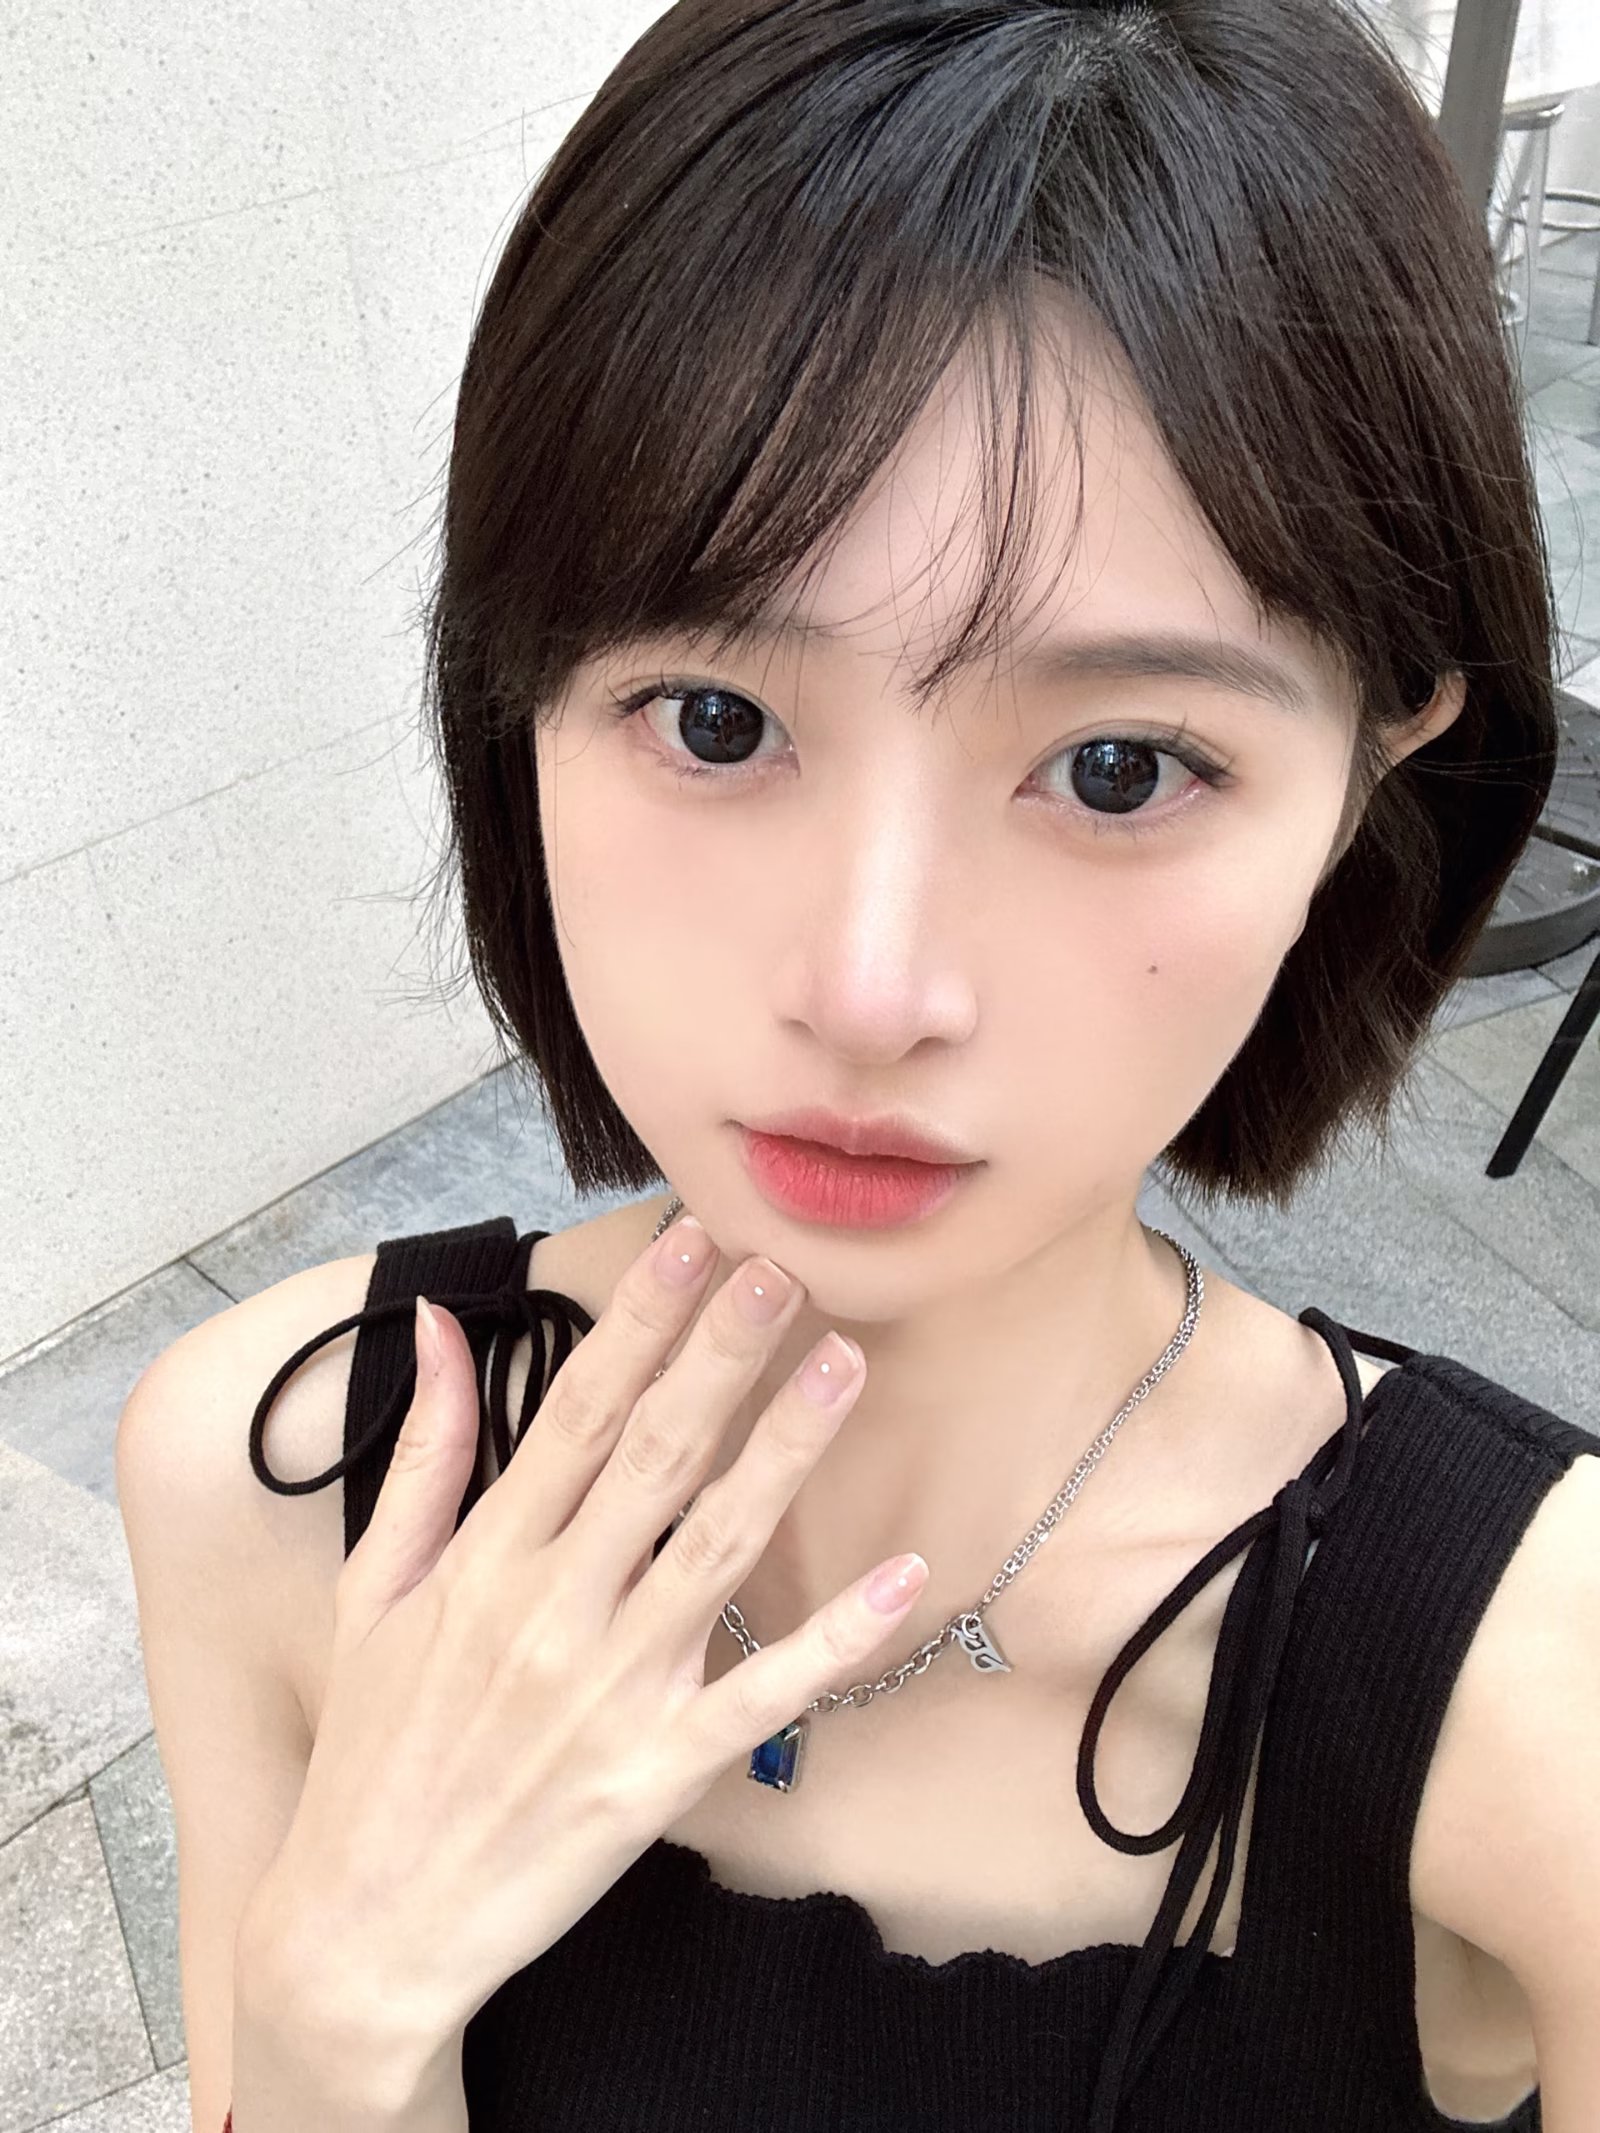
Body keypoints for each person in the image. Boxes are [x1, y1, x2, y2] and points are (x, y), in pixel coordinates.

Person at [115, 2, 1600, 2129]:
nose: (870, 983)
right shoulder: (271, 1483)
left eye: (1119, 764)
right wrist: (337, 2017)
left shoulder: (1536, 1690)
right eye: (715, 719)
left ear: (1373, 773)